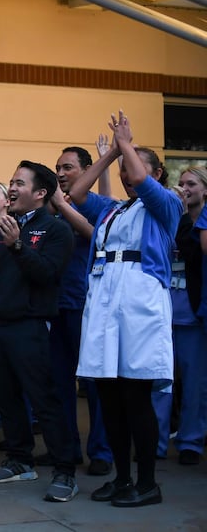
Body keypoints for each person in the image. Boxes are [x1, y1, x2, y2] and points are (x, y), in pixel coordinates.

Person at [71, 110, 181, 507]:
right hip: (104, 299)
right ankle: (122, 478)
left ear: (155, 174)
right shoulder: (113, 209)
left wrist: (127, 145)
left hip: (139, 300)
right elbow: (78, 194)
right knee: (110, 396)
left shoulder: (166, 204)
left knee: (135, 396)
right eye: (124, 163)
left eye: (134, 163)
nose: (125, 172)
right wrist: (110, 154)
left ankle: (148, 482)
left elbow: (139, 179)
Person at [0, 160, 78, 503]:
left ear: (41, 193)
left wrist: (17, 246)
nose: (11, 189)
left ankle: (65, 471)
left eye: (19, 183)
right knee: (7, 398)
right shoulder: (2, 228)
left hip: (29, 326)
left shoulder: (56, 230)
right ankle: (19, 460)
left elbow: (46, 273)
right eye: (11, 182)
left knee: (44, 401)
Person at [43, 146, 113, 476]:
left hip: (86, 304)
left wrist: (60, 202)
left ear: (85, 170)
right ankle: (66, 449)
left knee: (95, 385)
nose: (60, 172)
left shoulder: (86, 206)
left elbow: (95, 234)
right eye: (57, 167)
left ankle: (101, 451)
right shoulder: (57, 208)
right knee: (59, 384)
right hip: (57, 305)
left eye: (68, 167)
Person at [153, 166, 207, 466]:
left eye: (191, 183)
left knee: (195, 384)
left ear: (204, 189)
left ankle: (190, 442)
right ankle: (156, 441)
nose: (184, 188)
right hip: (162, 314)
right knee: (160, 382)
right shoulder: (170, 219)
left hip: (192, 316)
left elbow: (191, 250)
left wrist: (185, 215)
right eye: (181, 183)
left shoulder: (198, 224)